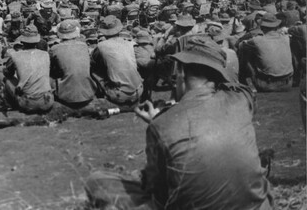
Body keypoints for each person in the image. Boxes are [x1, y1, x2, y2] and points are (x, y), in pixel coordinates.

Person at [85, 38, 273, 210]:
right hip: (255, 206)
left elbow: (157, 191)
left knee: (97, 181)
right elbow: (230, 91)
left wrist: (160, 120)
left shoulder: (161, 126)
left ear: (181, 72)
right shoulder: (241, 99)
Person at [91, 15, 143, 105]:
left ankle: (102, 95)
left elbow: (92, 63)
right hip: (139, 90)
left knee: (94, 72)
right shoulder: (130, 43)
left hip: (119, 95)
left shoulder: (101, 46)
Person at [4, 25, 54, 113]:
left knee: (7, 80)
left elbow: (8, 73)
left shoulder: (15, 55)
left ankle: (11, 106)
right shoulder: (45, 54)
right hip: (47, 102)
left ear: (22, 41)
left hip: (27, 104)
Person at [239, 13, 293, 92]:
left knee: (246, 50)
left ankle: (242, 78)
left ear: (261, 27)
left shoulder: (257, 40)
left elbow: (241, 45)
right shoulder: (286, 38)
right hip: (288, 83)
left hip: (266, 84)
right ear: (276, 26)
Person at [49, 19, 97, 107]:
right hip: (88, 94)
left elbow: (51, 68)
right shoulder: (84, 46)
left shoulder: (55, 48)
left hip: (65, 97)